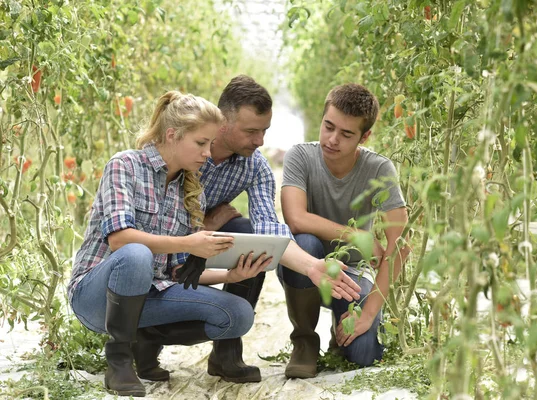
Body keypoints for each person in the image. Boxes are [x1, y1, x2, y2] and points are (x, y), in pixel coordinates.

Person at [68, 91, 271, 397]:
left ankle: (144, 340)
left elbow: (177, 273)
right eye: (201, 143)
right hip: (97, 298)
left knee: (238, 314)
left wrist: (231, 276)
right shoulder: (125, 165)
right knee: (136, 253)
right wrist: (189, 242)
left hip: (148, 297)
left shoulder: (192, 192)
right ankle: (119, 360)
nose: (208, 152)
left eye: (210, 143)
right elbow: (120, 239)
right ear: (173, 135)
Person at [191, 75, 362, 383]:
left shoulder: (255, 166)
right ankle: (140, 345)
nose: (260, 141)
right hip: (167, 237)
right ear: (222, 123)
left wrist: (312, 266)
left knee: (250, 237)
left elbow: (270, 230)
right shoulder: (186, 148)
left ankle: (226, 353)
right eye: (251, 131)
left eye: (265, 130)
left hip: (198, 235)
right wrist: (203, 223)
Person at [278, 83, 411, 378]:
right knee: (305, 240)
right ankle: (304, 341)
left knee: (364, 354)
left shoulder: (379, 169)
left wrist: (369, 313)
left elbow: (399, 245)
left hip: (351, 274)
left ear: (365, 137)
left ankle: (340, 335)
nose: (332, 139)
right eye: (328, 127)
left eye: (346, 134)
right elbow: (296, 218)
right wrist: (358, 237)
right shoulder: (301, 156)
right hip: (307, 268)